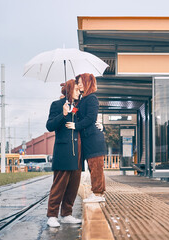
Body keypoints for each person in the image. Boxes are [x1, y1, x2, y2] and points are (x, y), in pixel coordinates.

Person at [46, 79, 82, 228]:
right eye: (76, 89)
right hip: (63, 149)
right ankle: (52, 215)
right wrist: (63, 114)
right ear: (68, 90)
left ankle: (67, 214)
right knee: (59, 184)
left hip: (78, 150)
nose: (79, 92)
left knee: (74, 184)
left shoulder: (79, 107)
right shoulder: (57, 105)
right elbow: (50, 126)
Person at [72, 73, 107, 203]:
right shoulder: (83, 99)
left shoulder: (91, 98)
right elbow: (78, 112)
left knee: (96, 167)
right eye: (78, 83)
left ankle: (97, 194)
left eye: (81, 82)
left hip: (93, 139)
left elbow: (90, 119)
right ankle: (100, 193)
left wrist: (75, 126)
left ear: (87, 83)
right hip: (89, 139)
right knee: (94, 167)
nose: (79, 85)